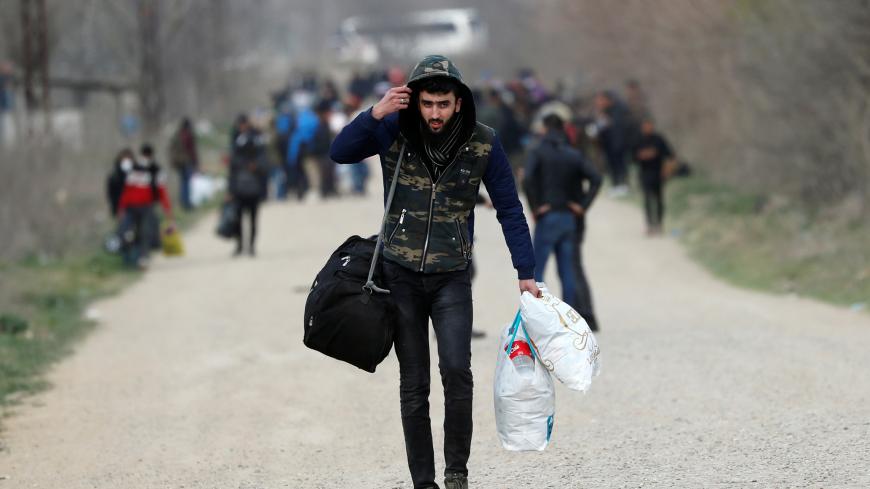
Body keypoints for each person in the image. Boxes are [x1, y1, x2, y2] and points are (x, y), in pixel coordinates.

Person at [330, 55, 538, 489]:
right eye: (427, 104)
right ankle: (423, 482)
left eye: (443, 104)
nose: (435, 113)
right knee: (414, 384)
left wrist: (526, 270)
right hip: (399, 274)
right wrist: (375, 114)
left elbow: (509, 208)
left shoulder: (484, 143)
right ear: (415, 101)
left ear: (458, 103)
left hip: (451, 276)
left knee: (457, 370)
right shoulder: (392, 132)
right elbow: (340, 152)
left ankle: (456, 472)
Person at [524, 114, 602, 320]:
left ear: (545, 128)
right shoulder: (573, 154)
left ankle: (540, 316)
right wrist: (582, 206)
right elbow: (596, 178)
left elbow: (528, 179)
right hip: (568, 217)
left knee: (537, 270)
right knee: (567, 271)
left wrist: (535, 207)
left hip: (547, 215)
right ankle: (569, 318)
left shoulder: (538, 152)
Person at [117, 144, 173, 268]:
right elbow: (162, 192)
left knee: (142, 233)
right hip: (139, 207)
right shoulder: (150, 169)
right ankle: (137, 258)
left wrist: (121, 209)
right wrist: (167, 211)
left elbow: (126, 192)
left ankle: (140, 258)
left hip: (140, 207)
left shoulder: (149, 170)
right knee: (136, 233)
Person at [228, 115, 268, 256]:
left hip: (254, 188)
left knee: (252, 219)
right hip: (239, 187)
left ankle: (251, 246)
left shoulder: (257, 141)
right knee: (237, 219)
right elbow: (232, 168)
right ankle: (239, 245)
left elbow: (264, 165)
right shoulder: (235, 141)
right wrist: (230, 190)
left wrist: (256, 167)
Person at [632, 118, 674, 235]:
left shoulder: (658, 139)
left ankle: (659, 224)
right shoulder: (638, 140)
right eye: (645, 125)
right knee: (647, 199)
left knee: (659, 199)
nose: (647, 128)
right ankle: (649, 225)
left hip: (658, 173)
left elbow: (670, 155)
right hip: (645, 173)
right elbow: (633, 157)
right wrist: (642, 156)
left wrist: (667, 170)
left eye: (649, 125)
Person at [168, 118, 199, 211]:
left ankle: (182, 202)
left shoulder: (177, 134)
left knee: (182, 183)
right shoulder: (188, 135)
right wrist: (196, 162)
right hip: (186, 162)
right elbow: (192, 150)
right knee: (186, 183)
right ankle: (187, 204)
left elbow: (171, 148)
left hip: (178, 162)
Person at [106, 148, 135, 218]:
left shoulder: (136, 173)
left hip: (135, 209)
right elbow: (111, 194)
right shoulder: (114, 176)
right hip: (120, 209)